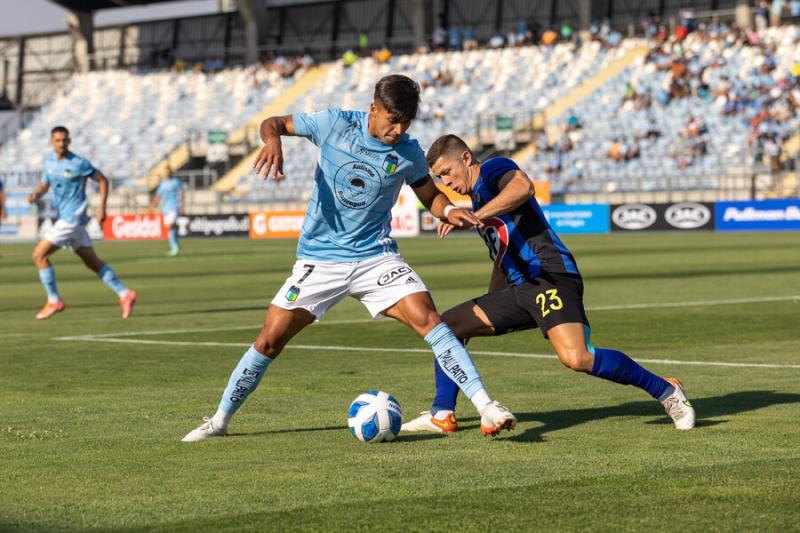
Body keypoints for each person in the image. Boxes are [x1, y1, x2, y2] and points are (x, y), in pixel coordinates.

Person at [181, 75, 517, 442]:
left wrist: (447, 210)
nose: (398, 130)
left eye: (406, 123)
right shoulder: (334, 123)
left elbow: (429, 193)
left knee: (430, 319)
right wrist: (273, 140)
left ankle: (487, 406)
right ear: (374, 108)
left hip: (376, 257)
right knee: (269, 340)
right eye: (392, 120)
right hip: (320, 260)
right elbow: (272, 122)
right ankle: (219, 421)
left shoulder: (408, 151)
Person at [401, 134, 695, 433]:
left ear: (465, 159)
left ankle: (666, 390)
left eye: (447, 173)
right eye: (438, 178)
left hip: (548, 275)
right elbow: (504, 252)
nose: (445, 183)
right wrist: (494, 299)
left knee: (577, 358)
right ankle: (442, 413)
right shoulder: (475, 198)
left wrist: (476, 216)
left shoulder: (492, 170)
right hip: (519, 288)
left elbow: (523, 187)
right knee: (447, 328)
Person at [27, 126, 137, 320]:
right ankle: (125, 294)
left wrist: (102, 208)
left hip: (72, 219)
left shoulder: (79, 163)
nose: (61, 144)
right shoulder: (49, 162)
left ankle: (54, 300)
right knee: (92, 262)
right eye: (58, 140)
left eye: (64, 140)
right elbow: (45, 184)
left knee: (39, 255)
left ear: (69, 141)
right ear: (52, 142)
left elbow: (102, 180)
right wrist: (36, 194)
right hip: (68, 220)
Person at [150, 166, 184, 256]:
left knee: (169, 226)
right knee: (170, 228)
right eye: (165, 172)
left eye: (168, 172)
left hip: (174, 206)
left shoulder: (176, 182)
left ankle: (175, 247)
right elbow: (158, 195)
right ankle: (175, 243)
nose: (167, 173)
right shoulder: (162, 183)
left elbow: (181, 193)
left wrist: (182, 205)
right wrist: (153, 205)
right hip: (165, 208)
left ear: (171, 172)